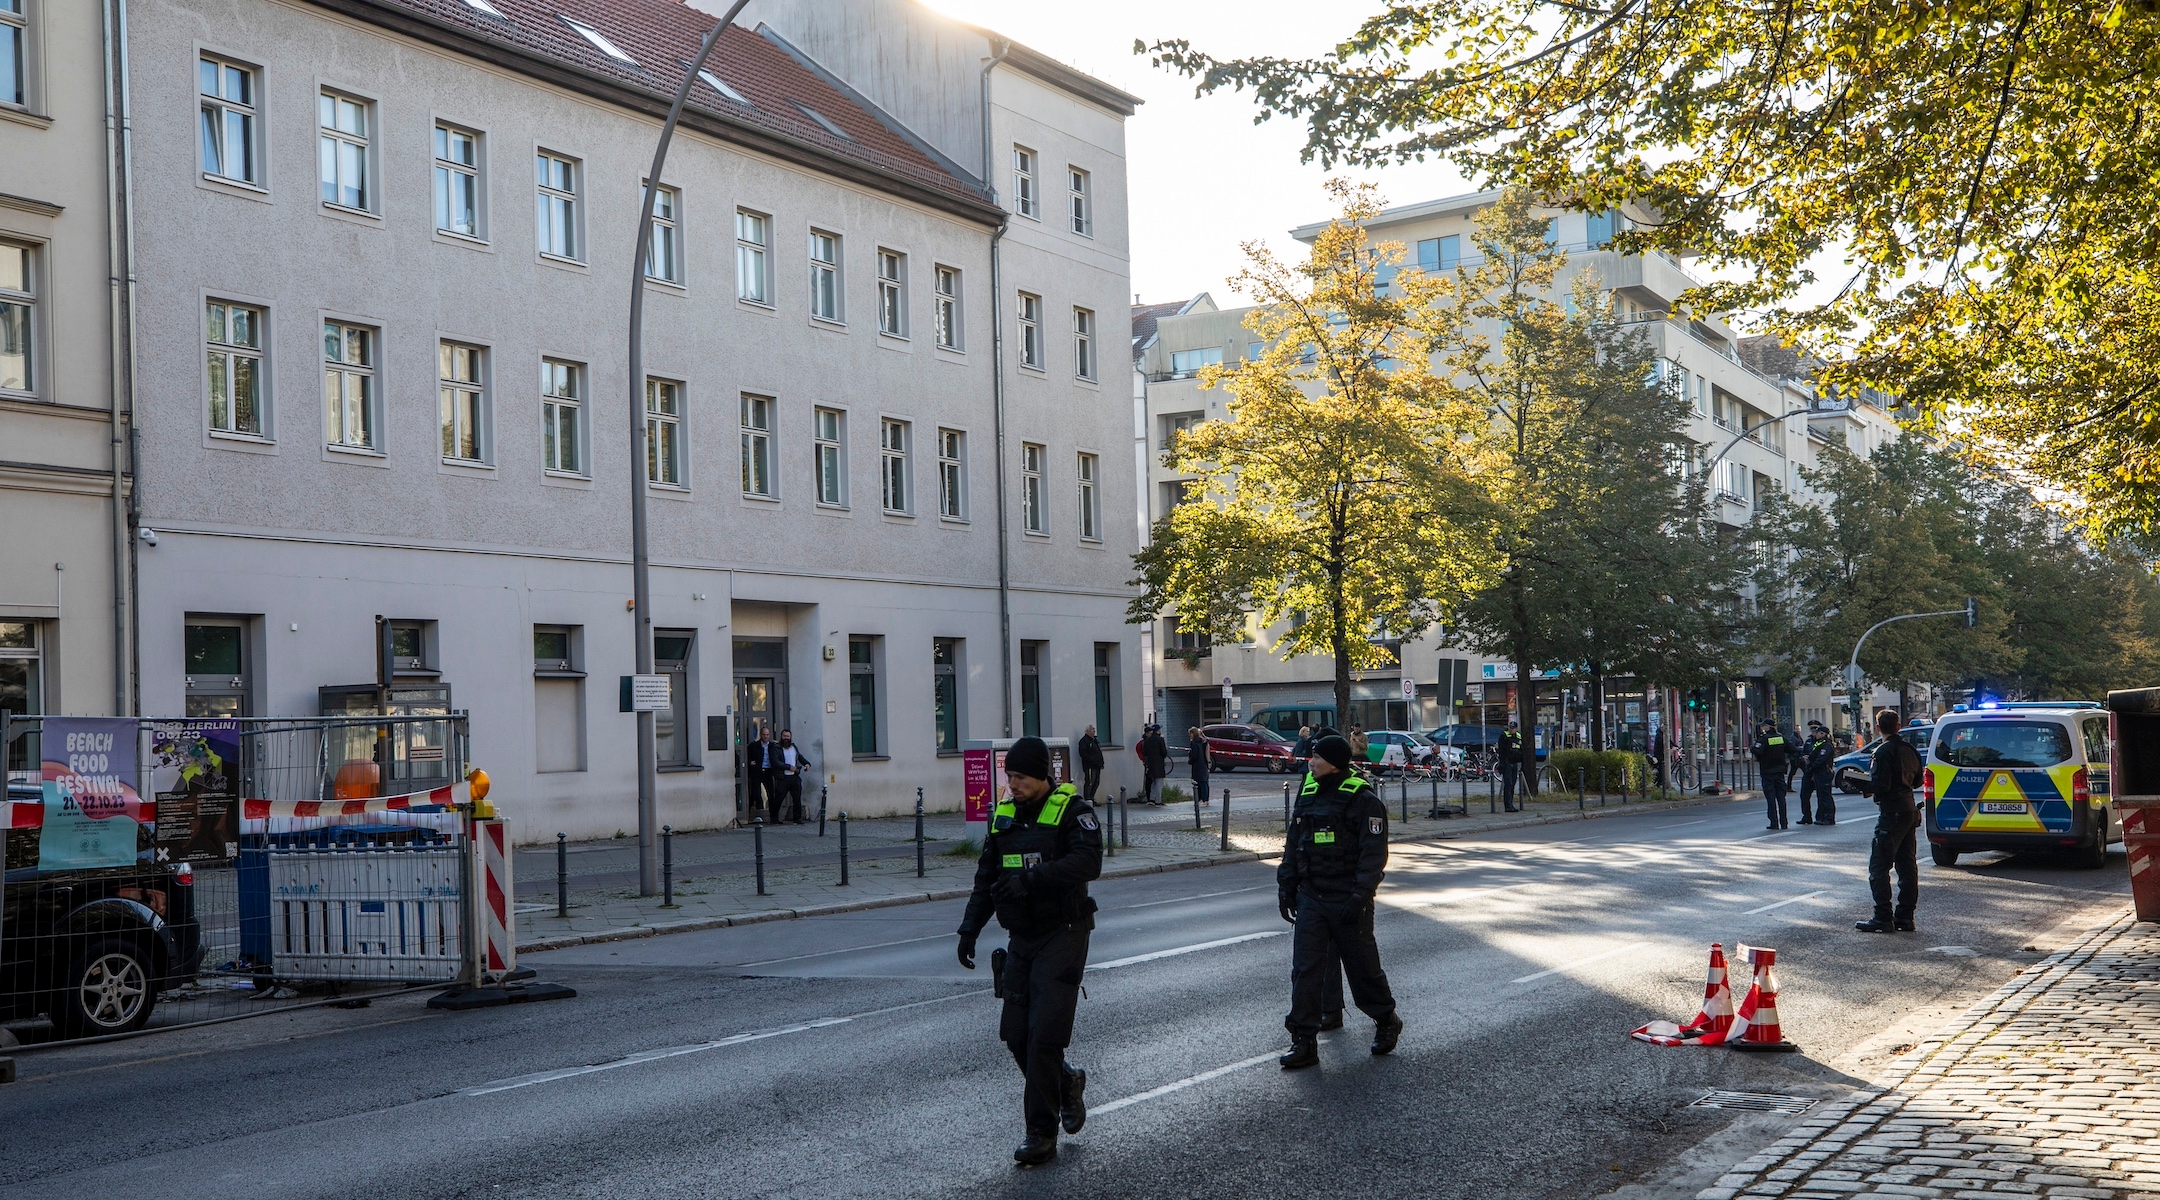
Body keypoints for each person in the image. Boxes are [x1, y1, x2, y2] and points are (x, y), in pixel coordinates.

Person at [954, 736, 1103, 1166]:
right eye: (1009, 777)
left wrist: (1030, 881)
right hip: (1022, 937)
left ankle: (1040, 1132)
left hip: (1065, 931)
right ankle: (1066, 1082)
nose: (1012, 784)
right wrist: (969, 930)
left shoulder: (1073, 812)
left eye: (1019, 777)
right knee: (1017, 1035)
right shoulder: (1005, 816)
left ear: (1042, 776)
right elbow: (987, 877)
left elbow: (1087, 864)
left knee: (1043, 1037)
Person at [1277, 734, 1401, 1069]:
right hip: (1312, 897)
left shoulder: (1363, 799)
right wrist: (1286, 884)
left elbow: (1373, 854)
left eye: (1316, 757)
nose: (1311, 762)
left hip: (1349, 899)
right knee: (1305, 970)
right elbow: (1294, 841)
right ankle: (1304, 1041)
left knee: (1363, 970)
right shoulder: (1309, 790)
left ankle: (1386, 1019)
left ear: (1332, 762)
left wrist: (1361, 895)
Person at [1846, 709, 1923, 933]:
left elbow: (1881, 784)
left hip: (1891, 813)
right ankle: (1905, 917)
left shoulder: (1882, 751)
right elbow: (1917, 780)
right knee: (1907, 865)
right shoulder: (1910, 750)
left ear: (1878, 728)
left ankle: (1882, 917)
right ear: (1898, 726)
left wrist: (1865, 786)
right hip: (1909, 809)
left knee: (1879, 866)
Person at [1794, 720, 1837, 825]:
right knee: (1805, 795)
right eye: (1812, 729)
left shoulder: (1825, 744)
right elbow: (1805, 753)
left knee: (1823, 796)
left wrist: (1811, 765)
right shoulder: (1810, 741)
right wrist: (1804, 759)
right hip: (1810, 772)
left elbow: (1820, 759)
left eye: (1816, 729)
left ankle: (1825, 817)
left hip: (1821, 772)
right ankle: (1807, 816)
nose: (1814, 731)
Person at [1751, 720, 1792, 830]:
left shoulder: (1765, 738)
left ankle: (1774, 822)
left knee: (1771, 798)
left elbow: (1757, 750)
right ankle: (1784, 822)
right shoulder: (1780, 737)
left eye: (1763, 726)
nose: (1762, 728)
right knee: (1781, 798)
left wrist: (1754, 745)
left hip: (1768, 771)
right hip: (1780, 771)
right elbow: (1792, 749)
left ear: (1767, 727)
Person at [772, 730, 810, 824]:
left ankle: (797, 818)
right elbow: (776, 762)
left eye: (788, 736)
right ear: (781, 737)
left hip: (794, 777)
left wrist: (807, 763)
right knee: (779, 799)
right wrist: (789, 767)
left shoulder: (794, 747)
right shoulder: (776, 748)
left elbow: (799, 757)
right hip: (783, 777)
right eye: (784, 736)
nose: (786, 738)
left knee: (797, 798)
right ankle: (774, 818)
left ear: (790, 737)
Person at [746, 727, 779, 820]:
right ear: (761, 735)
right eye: (764, 734)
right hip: (757, 771)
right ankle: (749, 815)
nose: (766, 736)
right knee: (755, 793)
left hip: (768, 771)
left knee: (771, 794)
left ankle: (773, 817)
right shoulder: (754, 746)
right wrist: (750, 763)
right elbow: (746, 756)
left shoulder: (773, 746)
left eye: (767, 735)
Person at [1498, 719, 1524, 812]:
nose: (1511, 730)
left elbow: (1521, 750)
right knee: (1508, 784)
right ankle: (1508, 806)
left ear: (1516, 729)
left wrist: (1522, 761)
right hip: (1507, 762)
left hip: (1514, 762)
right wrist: (1502, 763)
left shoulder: (1518, 736)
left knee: (1513, 784)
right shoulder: (1504, 736)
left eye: (1513, 728)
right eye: (1510, 728)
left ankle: (1511, 804)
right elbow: (1501, 751)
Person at [1140, 724, 1170, 806]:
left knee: (1153, 782)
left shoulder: (1147, 740)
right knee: (1159, 783)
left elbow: (1145, 752)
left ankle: (1151, 799)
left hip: (1150, 764)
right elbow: (1164, 752)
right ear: (1158, 730)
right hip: (1158, 764)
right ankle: (1158, 800)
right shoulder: (1160, 740)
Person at [1077, 725, 1104, 806]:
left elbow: (1098, 752)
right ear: (1087, 731)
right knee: (1090, 782)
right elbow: (1083, 754)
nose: (1094, 731)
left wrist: (1101, 762)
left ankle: (1092, 798)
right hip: (1090, 766)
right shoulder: (1084, 741)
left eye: (1094, 730)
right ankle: (1088, 800)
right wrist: (1093, 761)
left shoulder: (1094, 740)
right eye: (1092, 730)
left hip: (1097, 765)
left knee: (1096, 782)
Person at [1187, 726, 1212, 807]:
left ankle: (1202, 799)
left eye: (1190, 734)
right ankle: (1205, 799)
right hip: (1203, 764)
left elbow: (1194, 755)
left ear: (1192, 734)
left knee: (1201, 783)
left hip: (1198, 765)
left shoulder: (1194, 743)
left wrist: (1190, 761)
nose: (1189, 735)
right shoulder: (1202, 742)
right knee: (1204, 783)